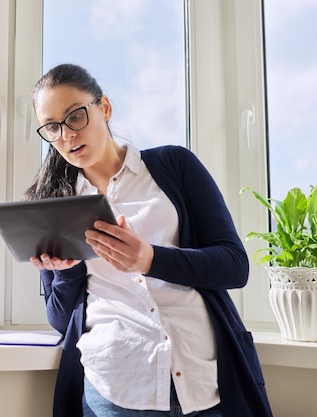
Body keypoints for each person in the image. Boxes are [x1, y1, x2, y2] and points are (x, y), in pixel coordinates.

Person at [25, 63, 273, 417]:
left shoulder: (174, 166)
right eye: (52, 127)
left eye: (75, 117)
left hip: (206, 381)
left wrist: (150, 259)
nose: (66, 135)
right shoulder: (54, 205)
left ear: (104, 108)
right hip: (117, 387)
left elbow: (234, 266)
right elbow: (61, 319)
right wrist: (66, 271)